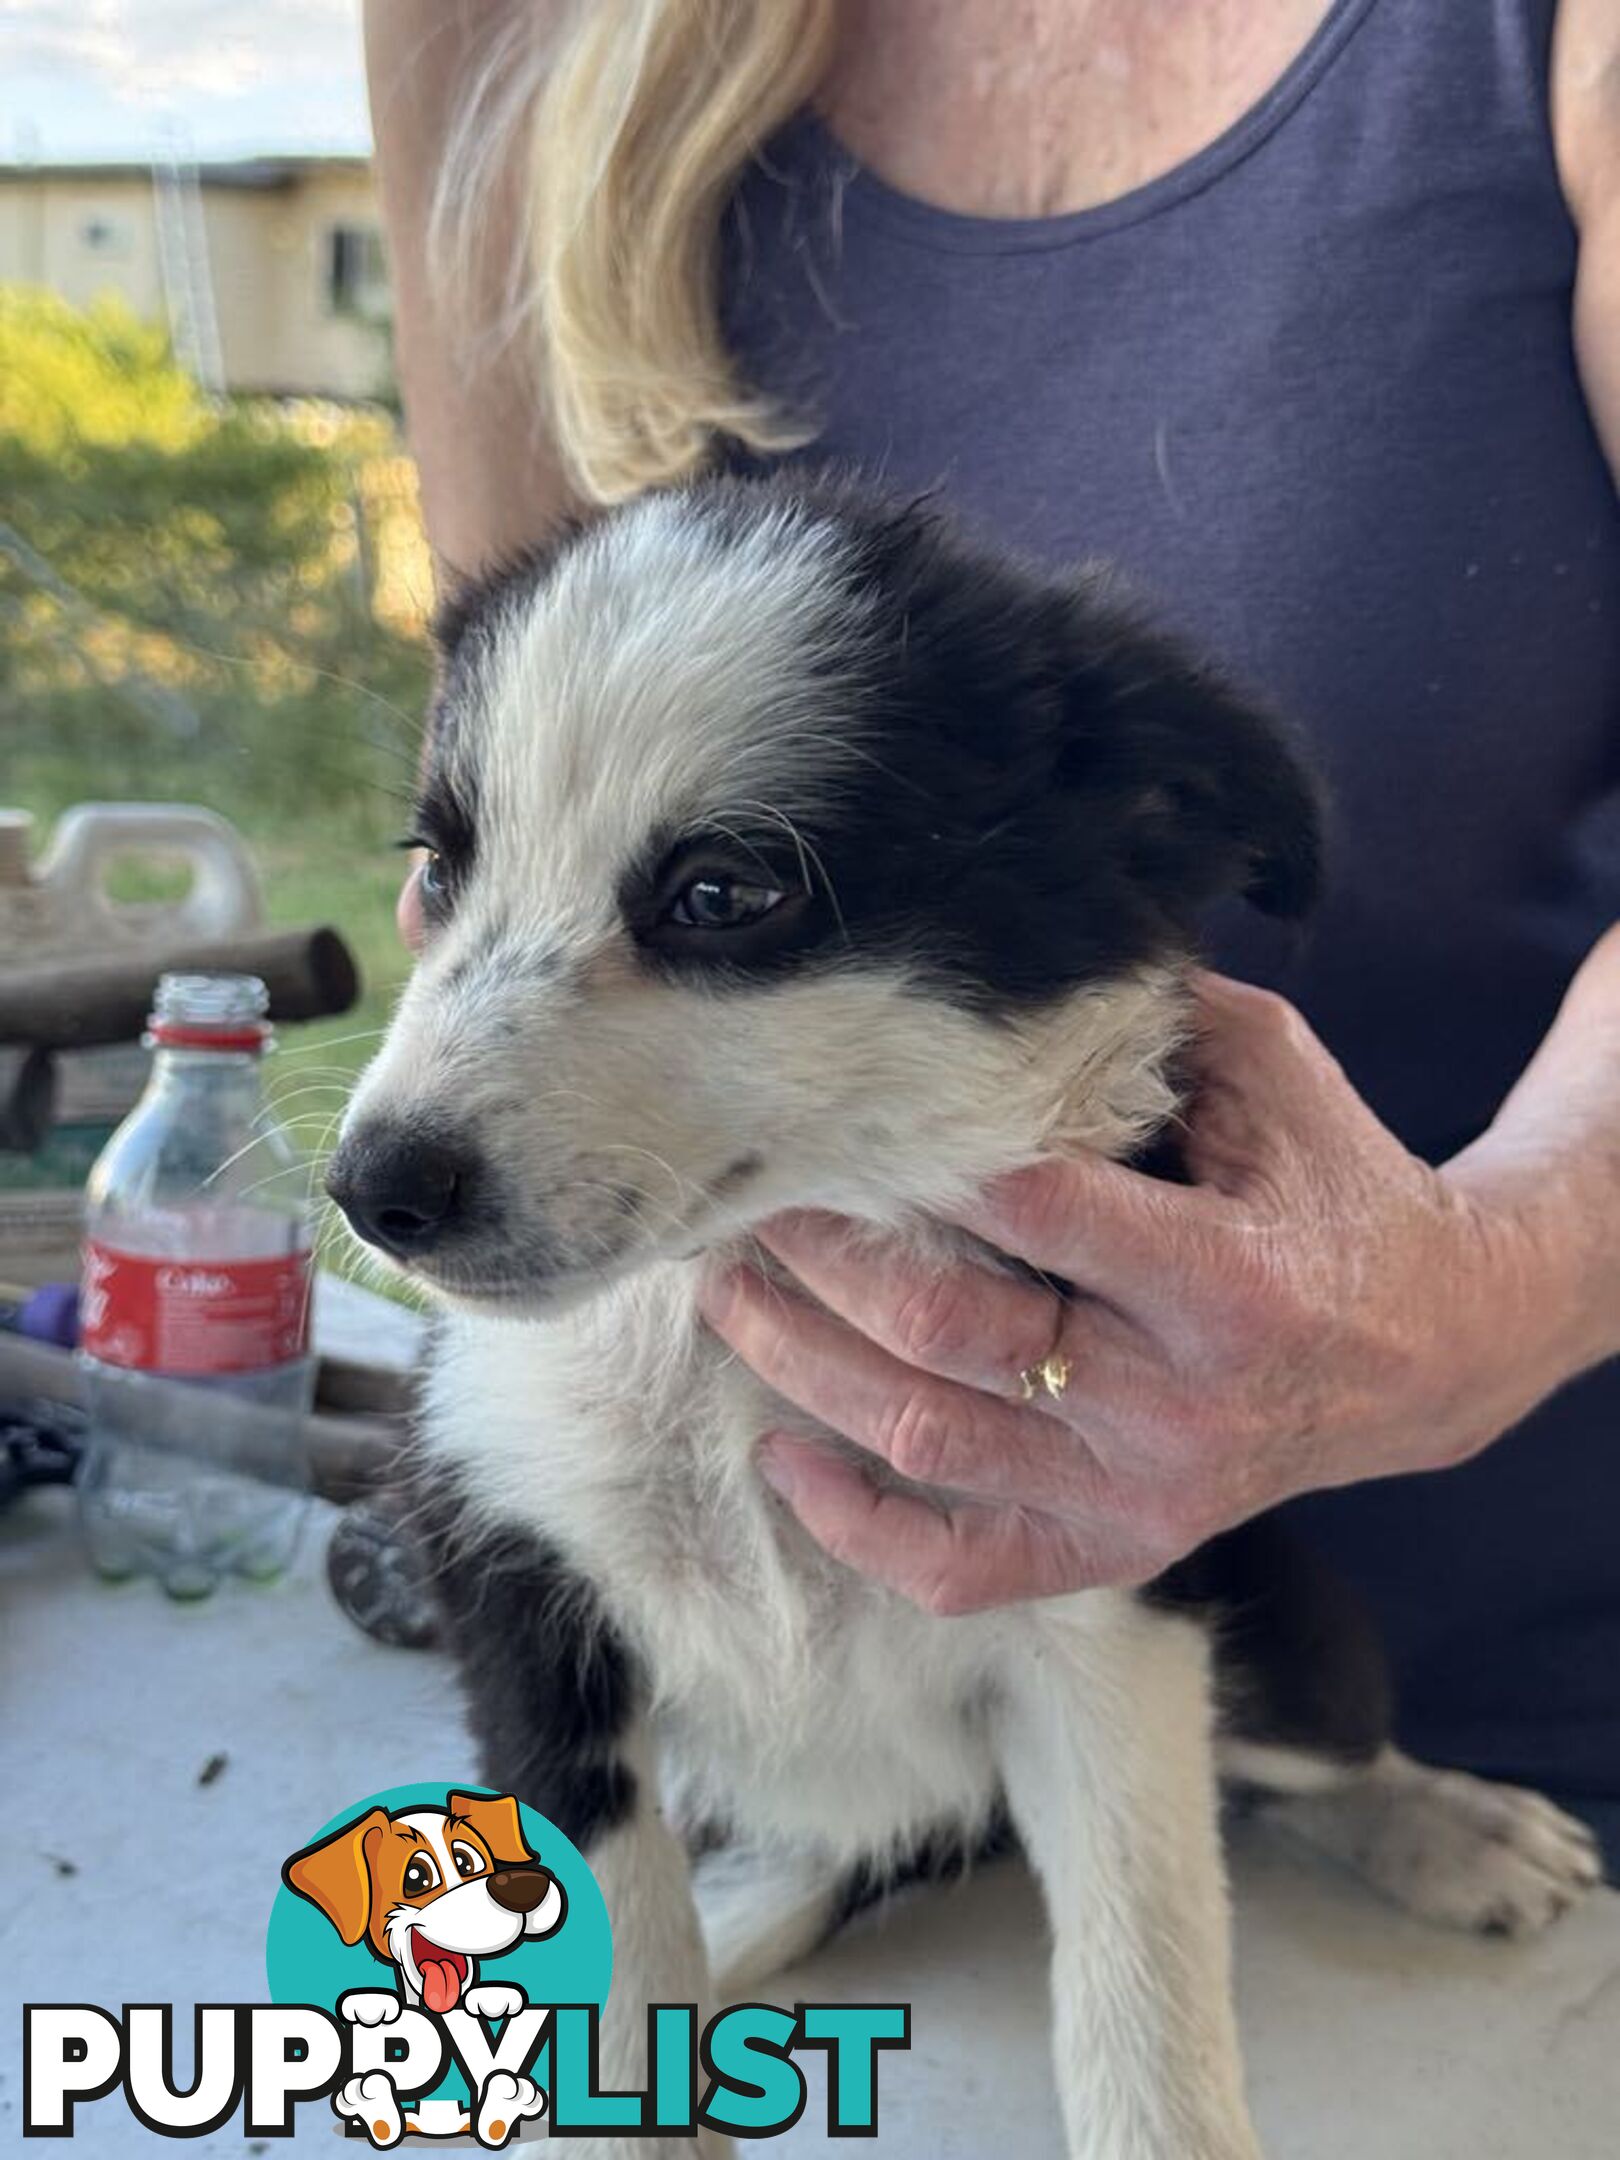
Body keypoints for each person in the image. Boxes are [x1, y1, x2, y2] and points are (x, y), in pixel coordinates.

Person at [365, 0, 1620, 1858]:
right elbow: (521, 749)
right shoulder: (514, 28)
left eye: (722, 897)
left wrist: (1499, 1276)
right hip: (794, 1665)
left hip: (1505, 1631)